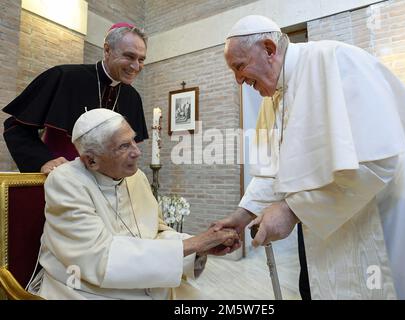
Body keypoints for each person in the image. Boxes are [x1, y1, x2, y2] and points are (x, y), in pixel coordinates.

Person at [214, 15, 405, 299]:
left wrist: (292, 210)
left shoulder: (333, 60)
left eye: (239, 67)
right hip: (352, 210)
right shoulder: (277, 94)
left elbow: (378, 161)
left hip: (395, 208)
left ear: (269, 49)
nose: (239, 80)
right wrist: (242, 215)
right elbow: (272, 168)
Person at [28, 108, 238, 299]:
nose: (137, 152)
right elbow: (99, 258)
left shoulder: (136, 177)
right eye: (124, 146)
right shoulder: (66, 182)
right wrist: (193, 244)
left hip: (148, 285)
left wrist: (199, 248)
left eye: (134, 141)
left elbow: (155, 232)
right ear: (91, 160)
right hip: (85, 288)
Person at [2, 22, 148, 174]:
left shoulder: (133, 97)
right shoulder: (64, 77)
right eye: (129, 56)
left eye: (141, 60)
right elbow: (16, 127)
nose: (136, 66)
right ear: (107, 50)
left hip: (108, 188)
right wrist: (43, 161)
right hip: (63, 182)